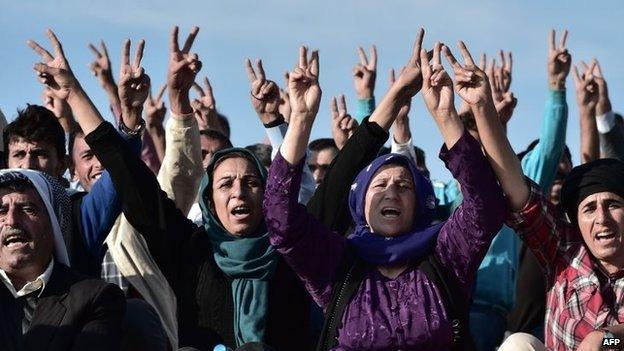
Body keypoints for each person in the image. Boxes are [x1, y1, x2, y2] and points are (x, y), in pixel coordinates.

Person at [28, 27, 312, 350]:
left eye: (251, 182)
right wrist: (75, 92)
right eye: (225, 183)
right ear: (208, 200)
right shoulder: (191, 250)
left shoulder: (292, 254)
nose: (238, 192)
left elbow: (297, 184)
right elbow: (127, 172)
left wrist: (297, 118)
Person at [264, 33, 506, 349]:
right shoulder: (338, 261)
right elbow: (281, 221)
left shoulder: (444, 256)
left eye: (404, 186)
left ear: (420, 203)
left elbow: (485, 206)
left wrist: (446, 116)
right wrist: (300, 120)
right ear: (359, 204)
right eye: (379, 185)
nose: (391, 191)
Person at [0, 169, 125, 351]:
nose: (11, 221)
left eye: (27, 209)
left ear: (53, 223)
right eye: (1, 211)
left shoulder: (95, 298)